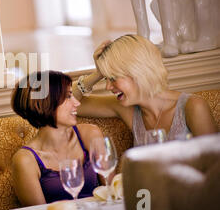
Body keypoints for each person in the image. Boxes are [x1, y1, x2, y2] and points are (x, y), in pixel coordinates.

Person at [72, 34, 218, 146]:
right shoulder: (127, 109)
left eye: (113, 78)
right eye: (106, 78)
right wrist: (98, 73)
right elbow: (64, 102)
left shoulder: (192, 107)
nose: (108, 87)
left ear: (137, 71)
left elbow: (215, 169)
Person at [11, 70, 102, 207]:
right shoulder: (25, 160)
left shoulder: (90, 134)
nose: (76, 103)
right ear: (43, 103)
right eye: (68, 96)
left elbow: (113, 195)